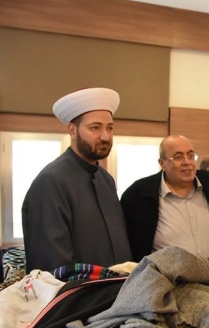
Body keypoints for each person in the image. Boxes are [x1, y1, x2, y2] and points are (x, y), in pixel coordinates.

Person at [22, 88, 132, 273]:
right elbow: (52, 265)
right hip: (79, 290)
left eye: (110, 128)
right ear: (72, 131)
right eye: (95, 127)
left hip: (118, 288)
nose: (105, 136)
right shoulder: (51, 181)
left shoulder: (106, 180)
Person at [120, 135, 209, 262]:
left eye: (191, 155)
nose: (187, 162)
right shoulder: (139, 195)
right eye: (178, 157)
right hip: (166, 275)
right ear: (162, 163)